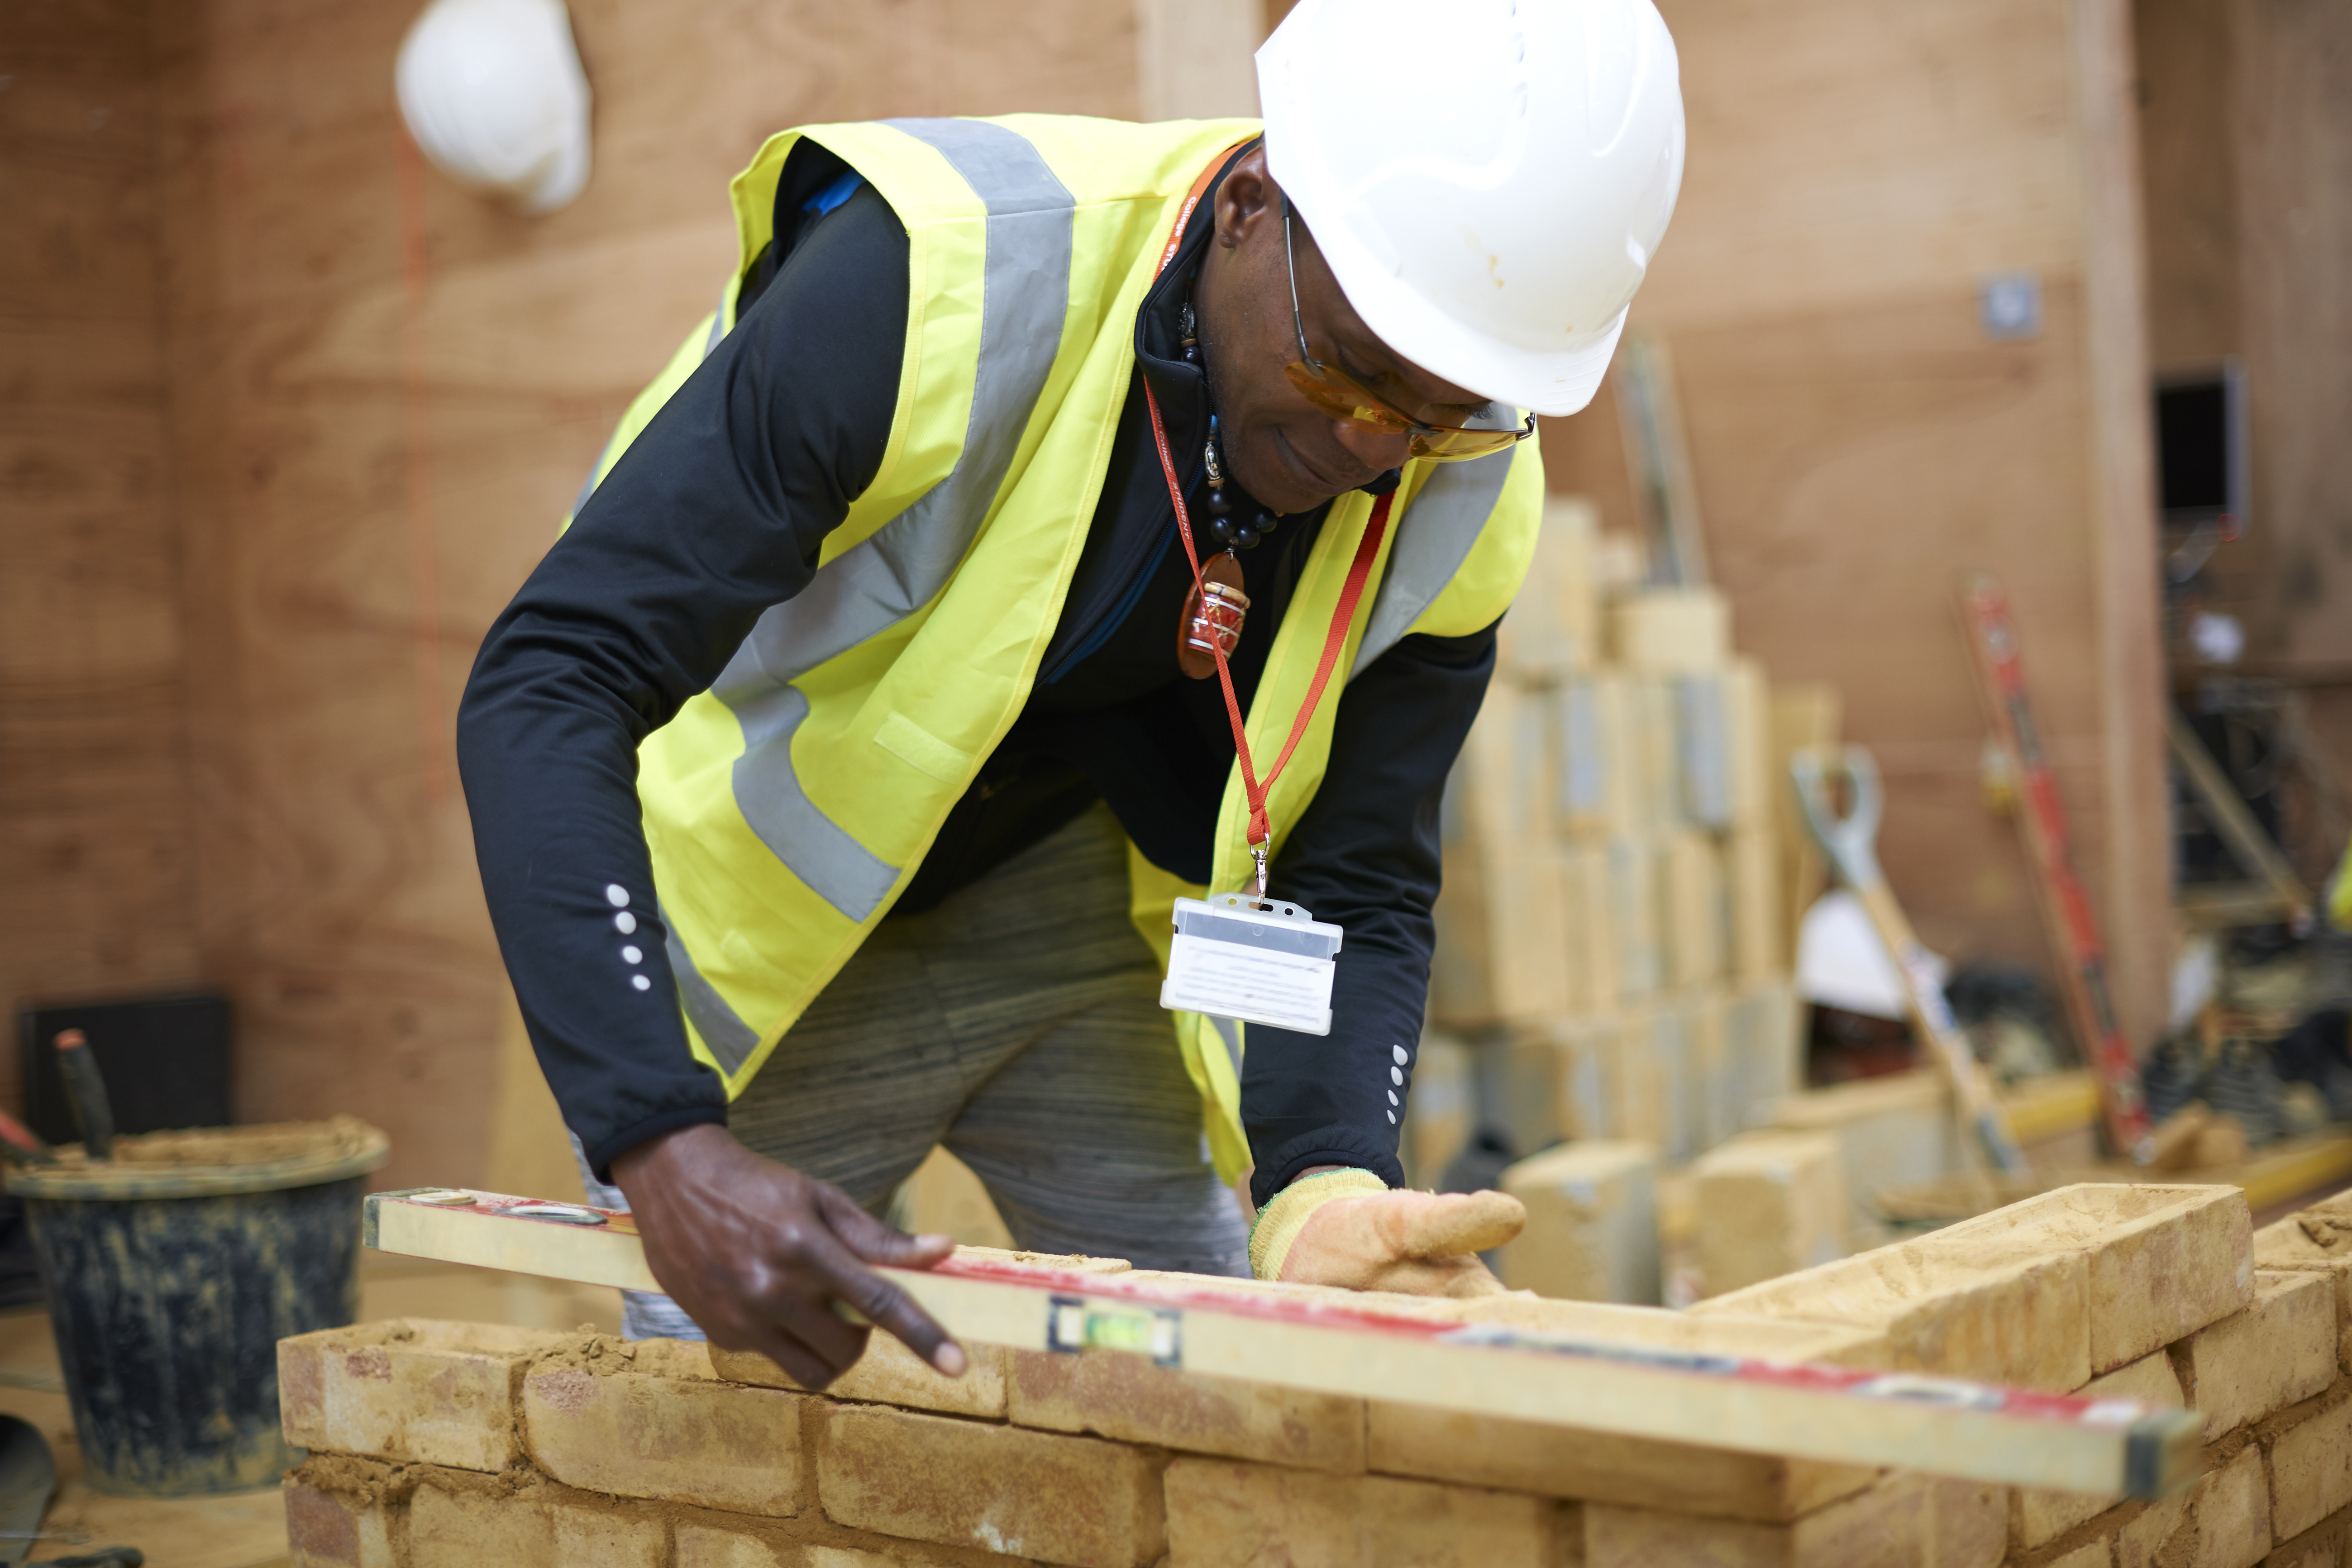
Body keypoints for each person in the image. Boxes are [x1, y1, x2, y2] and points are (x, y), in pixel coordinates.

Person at [456, 0, 1684, 1389]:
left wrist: (1324, 1181)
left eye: (1443, 408)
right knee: (738, 1426)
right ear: (1247, 206)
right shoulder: (933, 281)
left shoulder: (1466, 480)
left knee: (1192, 1403)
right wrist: (661, 1139)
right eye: (1346, 361)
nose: (1371, 442)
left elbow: (1357, 873)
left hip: (1071, 918)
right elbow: (549, 677)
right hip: (779, 939)